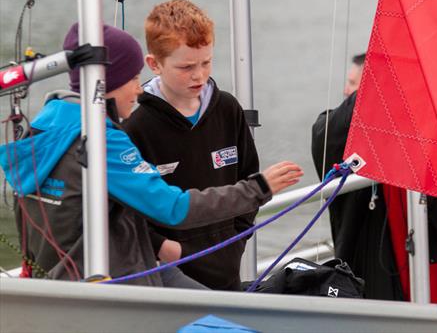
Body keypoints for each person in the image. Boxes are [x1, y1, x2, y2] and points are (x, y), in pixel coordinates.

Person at [0, 23, 303, 287]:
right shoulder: (101, 140)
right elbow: (172, 207)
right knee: (228, 324)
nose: (138, 89)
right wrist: (258, 188)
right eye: (132, 78)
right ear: (106, 83)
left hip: (57, 286)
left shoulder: (42, 126)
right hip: (116, 290)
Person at [311, 54, 437, 302]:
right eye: (354, 84)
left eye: (355, 84)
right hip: (375, 280)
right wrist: (387, 77)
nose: (345, 90)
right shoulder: (342, 132)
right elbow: (326, 137)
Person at [123, 0, 262, 291]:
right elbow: (125, 210)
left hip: (228, 267)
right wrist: (166, 249)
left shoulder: (227, 109)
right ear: (154, 64)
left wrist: (238, 236)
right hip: (170, 277)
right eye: (186, 67)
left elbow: (249, 176)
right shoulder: (136, 127)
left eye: (206, 62)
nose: (198, 75)